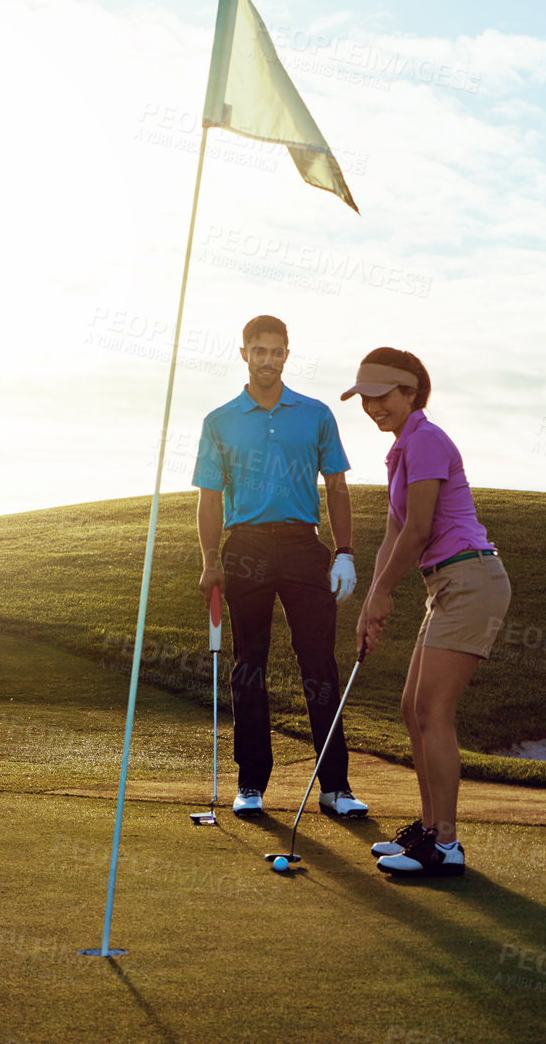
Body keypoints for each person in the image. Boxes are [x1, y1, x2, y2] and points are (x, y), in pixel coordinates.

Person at [341, 348, 509, 878]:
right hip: (447, 584)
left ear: (410, 392)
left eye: (380, 396)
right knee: (412, 708)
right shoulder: (402, 452)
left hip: (471, 579)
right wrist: (372, 599)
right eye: (364, 399)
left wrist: (387, 594)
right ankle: (429, 830)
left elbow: (419, 527)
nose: (371, 407)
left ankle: (446, 845)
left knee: (433, 712)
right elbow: (394, 534)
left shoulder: (429, 440)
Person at [193, 315, 369, 821]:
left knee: (320, 666)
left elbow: (336, 487)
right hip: (244, 546)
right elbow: (209, 498)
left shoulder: (314, 415)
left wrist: (346, 552)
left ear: (287, 355)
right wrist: (210, 561)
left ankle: (335, 786)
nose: (267, 360)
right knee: (249, 664)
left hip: (302, 545)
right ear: (244, 353)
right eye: (258, 351)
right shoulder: (219, 420)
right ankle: (251, 783)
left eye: (276, 351)